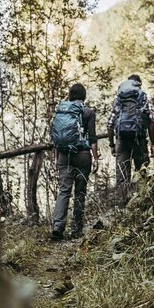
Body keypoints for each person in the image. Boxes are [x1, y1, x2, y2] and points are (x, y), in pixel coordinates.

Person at [50, 83, 99, 240]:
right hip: (83, 155)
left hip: (64, 155)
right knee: (80, 192)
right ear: (84, 96)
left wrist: (57, 158)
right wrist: (96, 157)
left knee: (63, 191)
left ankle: (58, 227)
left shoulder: (61, 111)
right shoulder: (88, 112)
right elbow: (92, 137)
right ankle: (76, 229)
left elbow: (56, 138)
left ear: (70, 96)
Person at [107, 74, 154, 205]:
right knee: (142, 172)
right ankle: (143, 204)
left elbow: (110, 124)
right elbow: (151, 121)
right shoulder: (143, 96)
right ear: (139, 83)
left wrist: (112, 144)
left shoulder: (119, 98)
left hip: (121, 141)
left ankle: (123, 207)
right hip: (139, 140)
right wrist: (153, 144)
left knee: (122, 176)